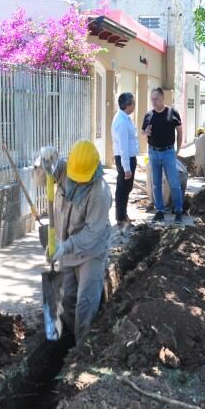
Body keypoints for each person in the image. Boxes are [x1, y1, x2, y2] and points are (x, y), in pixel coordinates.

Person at [34, 140, 112, 344]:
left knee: (84, 306)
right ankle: (65, 346)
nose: (77, 182)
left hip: (91, 253)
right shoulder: (65, 169)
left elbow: (91, 233)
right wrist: (43, 162)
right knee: (67, 301)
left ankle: (81, 354)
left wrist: (63, 247)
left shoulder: (100, 192)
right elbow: (39, 181)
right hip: (66, 251)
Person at [141, 87, 185, 222]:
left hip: (168, 152)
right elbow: (143, 134)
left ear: (162, 98)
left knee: (174, 183)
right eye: (152, 99)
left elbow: (180, 131)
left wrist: (177, 149)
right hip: (153, 152)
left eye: (156, 99)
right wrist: (145, 133)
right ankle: (159, 211)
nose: (154, 102)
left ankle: (178, 210)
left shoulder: (172, 113)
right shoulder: (148, 115)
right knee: (156, 183)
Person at [110, 92, 139, 229]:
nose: (134, 105)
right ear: (127, 105)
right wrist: (126, 168)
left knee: (126, 188)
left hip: (127, 158)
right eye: (133, 102)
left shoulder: (125, 118)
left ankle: (123, 214)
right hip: (124, 158)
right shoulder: (121, 122)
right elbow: (123, 147)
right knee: (123, 188)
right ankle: (120, 216)